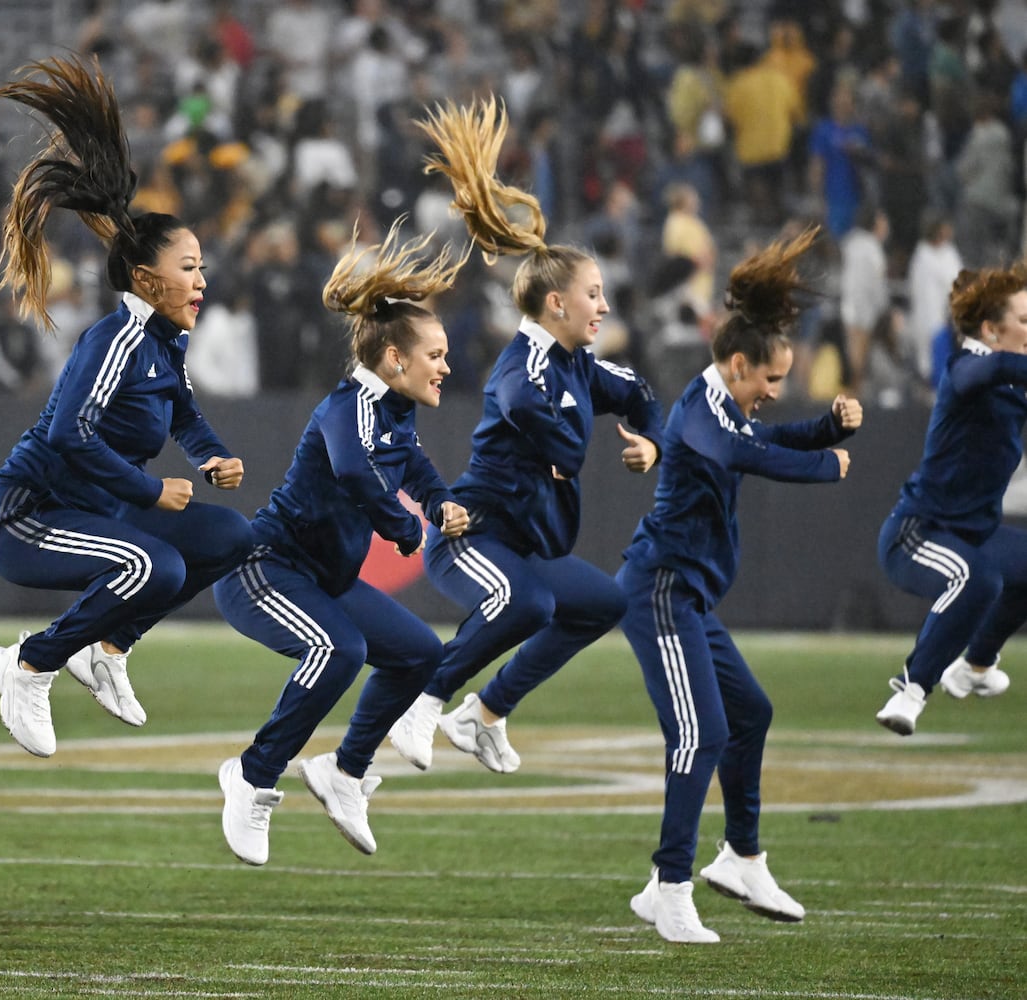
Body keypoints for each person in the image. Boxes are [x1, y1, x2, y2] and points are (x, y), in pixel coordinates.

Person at [0, 56, 253, 756]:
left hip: (95, 512)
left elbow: (180, 411)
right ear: (143, 278)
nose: (201, 280)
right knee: (151, 566)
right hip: (27, 515)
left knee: (229, 539)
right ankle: (29, 667)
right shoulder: (117, 337)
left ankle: (106, 650)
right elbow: (69, 435)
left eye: (201, 267)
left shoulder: (161, 340)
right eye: (188, 267)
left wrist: (210, 453)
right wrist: (149, 489)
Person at [387, 99, 664, 774]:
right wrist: (577, 440)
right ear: (555, 303)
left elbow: (642, 395)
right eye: (593, 294)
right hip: (473, 536)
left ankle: (482, 715)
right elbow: (555, 435)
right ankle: (419, 704)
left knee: (602, 602)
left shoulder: (574, 364)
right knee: (526, 603)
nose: (602, 306)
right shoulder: (523, 367)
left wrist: (649, 441)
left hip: (526, 546)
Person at [616, 228, 861, 943]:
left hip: (686, 596)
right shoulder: (700, 410)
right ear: (734, 363)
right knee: (701, 735)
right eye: (768, 379)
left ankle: (742, 857)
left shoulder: (727, 403)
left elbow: (760, 440)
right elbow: (740, 453)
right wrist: (824, 464)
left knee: (748, 713)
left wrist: (821, 430)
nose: (772, 392)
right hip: (658, 590)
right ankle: (669, 885)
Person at [214, 220, 470, 866]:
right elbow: (356, 471)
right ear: (392, 359)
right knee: (339, 648)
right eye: (434, 355)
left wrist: (438, 503)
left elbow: (408, 462)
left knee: (417, 653)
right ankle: (250, 776)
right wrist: (403, 525)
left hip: (320, 579)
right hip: (264, 569)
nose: (446, 365)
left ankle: (344, 773)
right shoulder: (348, 405)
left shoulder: (394, 410)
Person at [874, 263, 1027, 736]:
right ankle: (911, 688)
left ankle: (976, 666)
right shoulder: (965, 367)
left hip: (973, 533)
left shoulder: (1012, 381)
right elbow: (996, 367)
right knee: (978, 581)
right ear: (989, 329)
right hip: (916, 534)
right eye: (1024, 320)